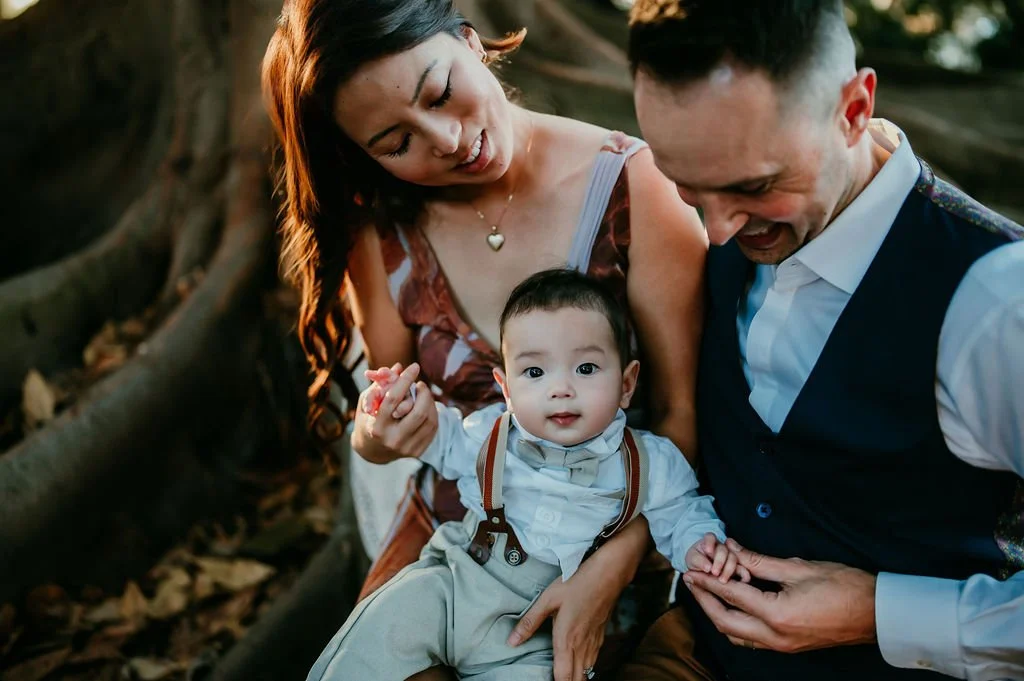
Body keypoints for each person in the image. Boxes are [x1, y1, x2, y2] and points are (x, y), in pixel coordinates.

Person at [260, 1, 708, 678]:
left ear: (468, 39)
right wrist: (381, 432)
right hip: (445, 553)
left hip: (599, 554)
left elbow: (685, 418)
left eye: (438, 92)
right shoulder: (382, 233)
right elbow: (386, 412)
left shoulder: (631, 187)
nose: (442, 138)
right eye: (395, 142)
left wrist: (612, 568)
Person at [618, 1, 1024, 679]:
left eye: (754, 185)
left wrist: (882, 611)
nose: (716, 231)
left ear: (854, 109)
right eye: (687, 186)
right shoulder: (723, 234)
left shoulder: (996, 303)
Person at [308, 269, 746, 681]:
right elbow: (438, 437)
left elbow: (683, 513)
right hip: (454, 585)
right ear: (506, 387)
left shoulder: (650, 461)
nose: (561, 388)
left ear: (627, 383)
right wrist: (397, 406)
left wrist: (700, 547)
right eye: (534, 372)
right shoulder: (489, 433)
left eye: (586, 368)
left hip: (536, 629)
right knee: (372, 640)